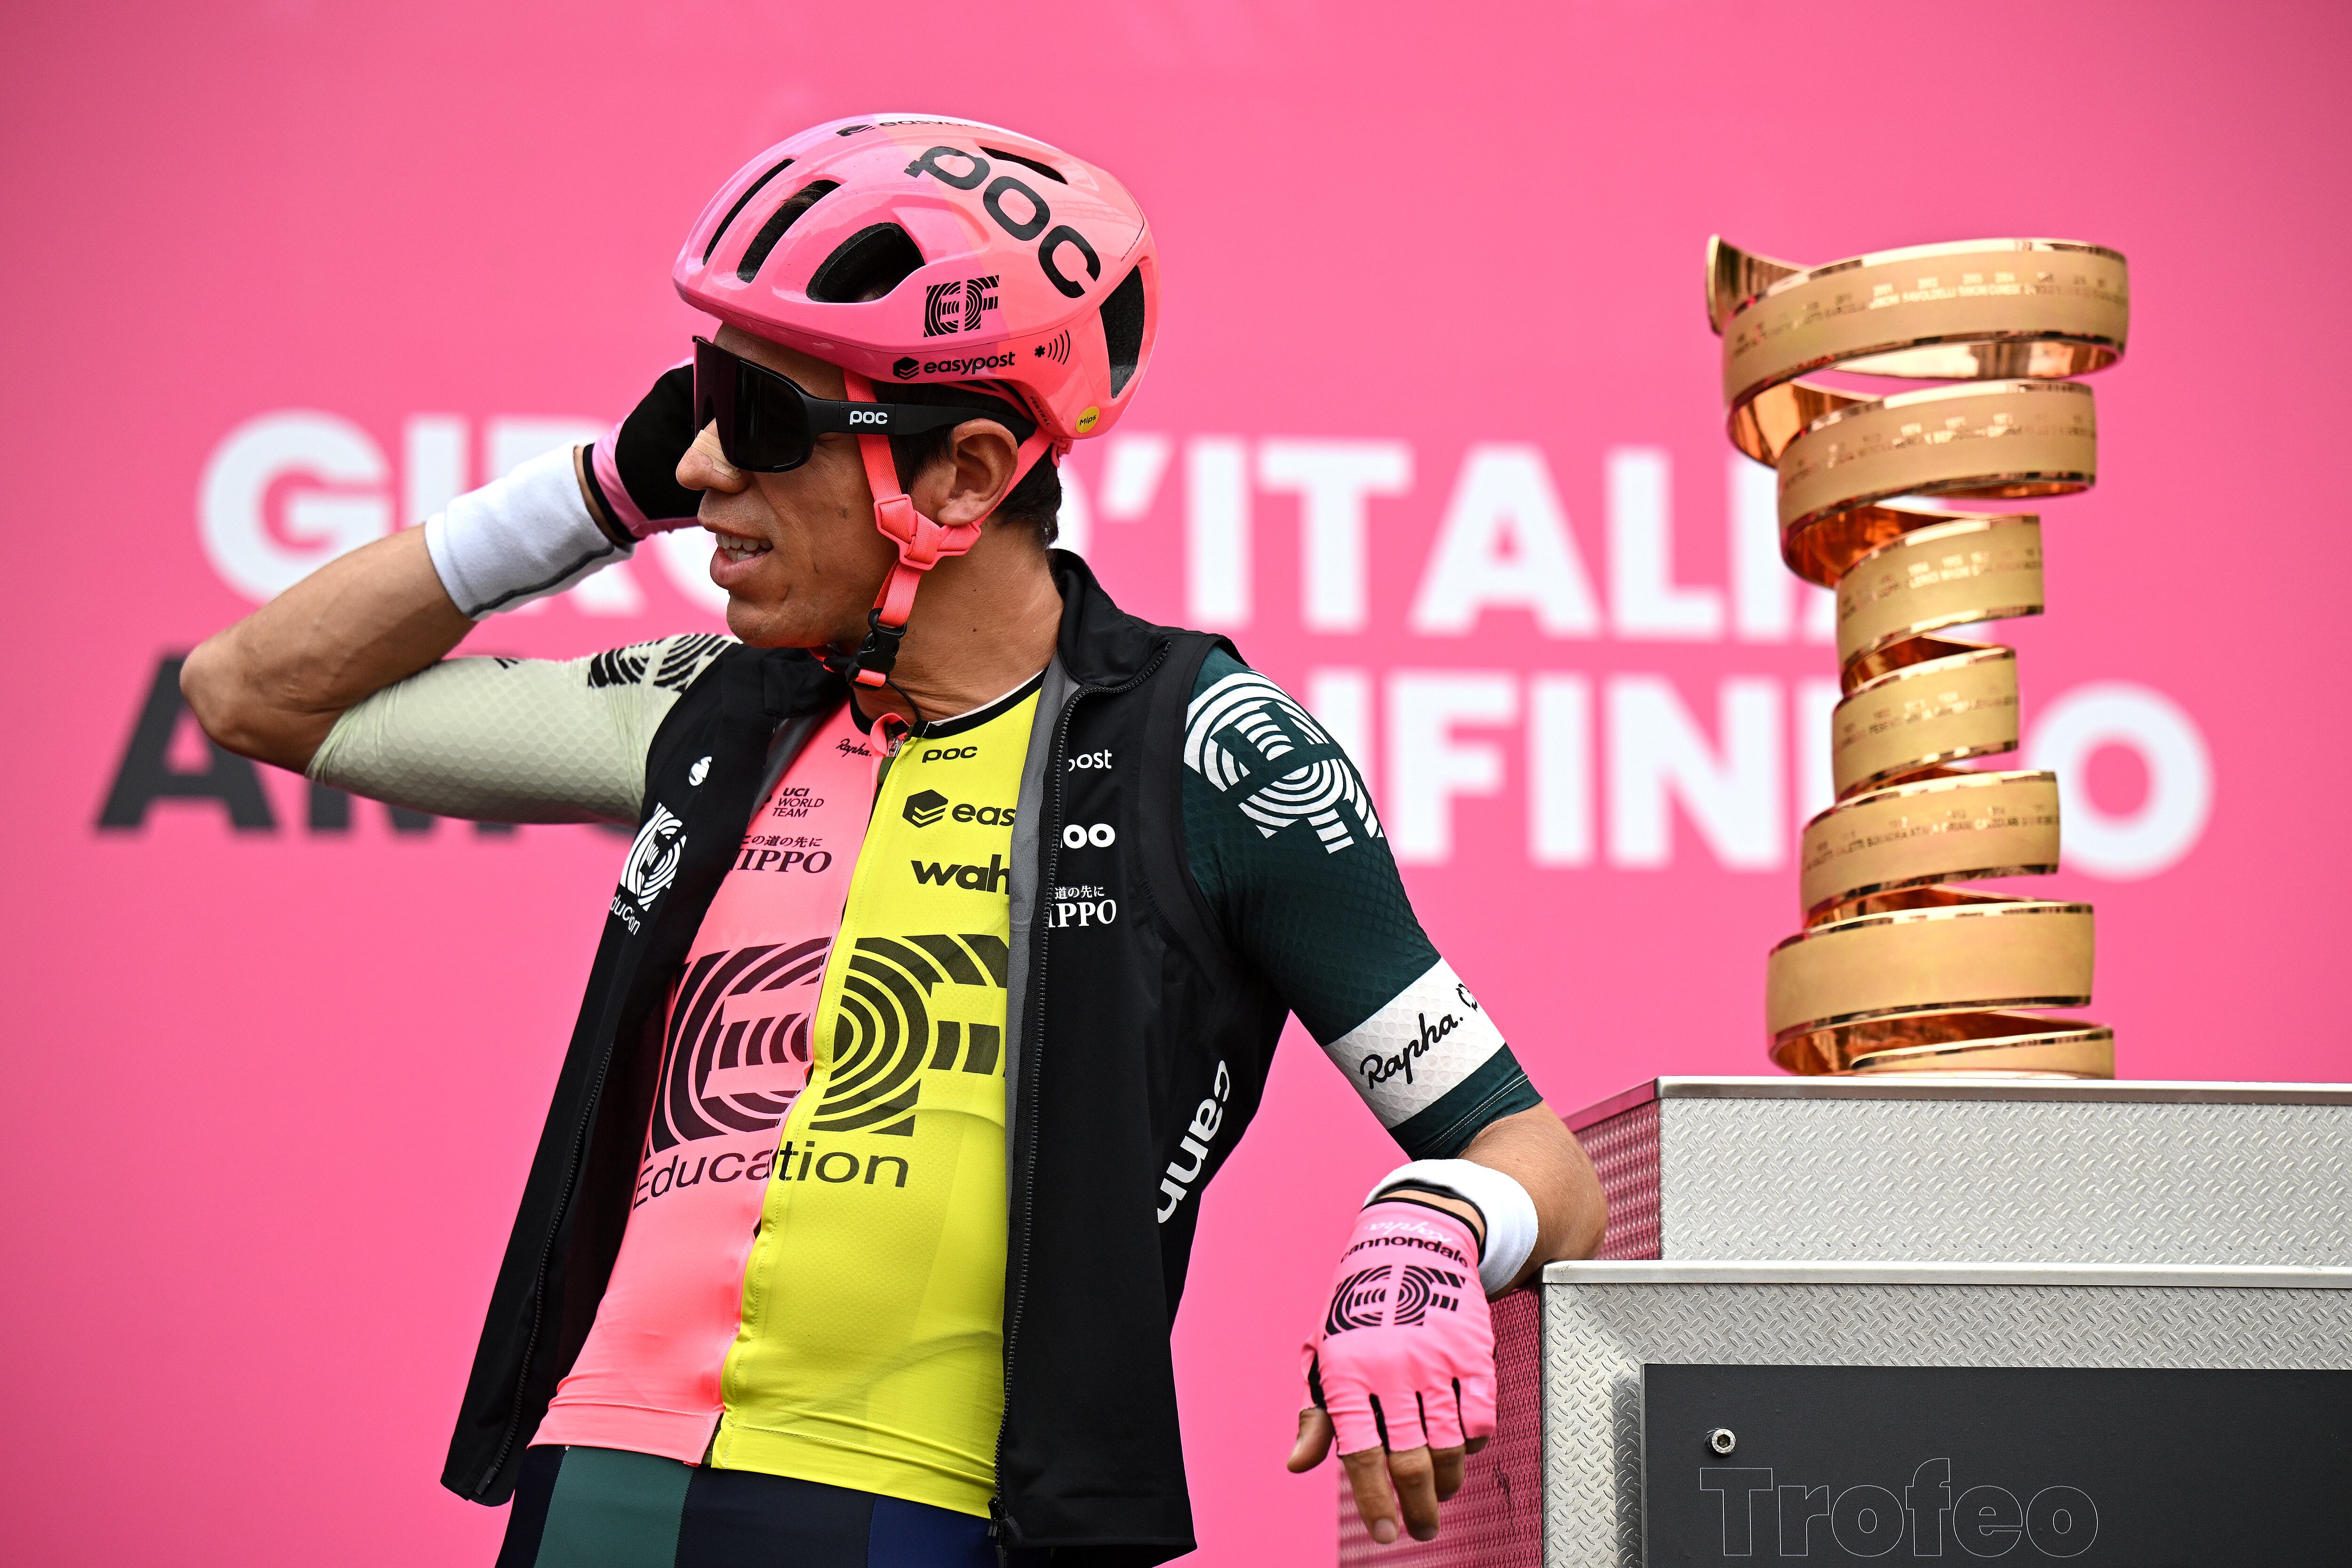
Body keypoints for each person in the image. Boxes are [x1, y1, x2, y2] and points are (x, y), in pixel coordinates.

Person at [183, 114, 1605, 1568]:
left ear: (965, 476)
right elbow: (255, 693)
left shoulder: (1209, 747)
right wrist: (601, 488)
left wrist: (1438, 1221)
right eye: (699, 401)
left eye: (766, 419)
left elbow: (1539, 1156)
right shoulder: (711, 707)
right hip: (596, 1474)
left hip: (931, 1512)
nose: (709, 469)